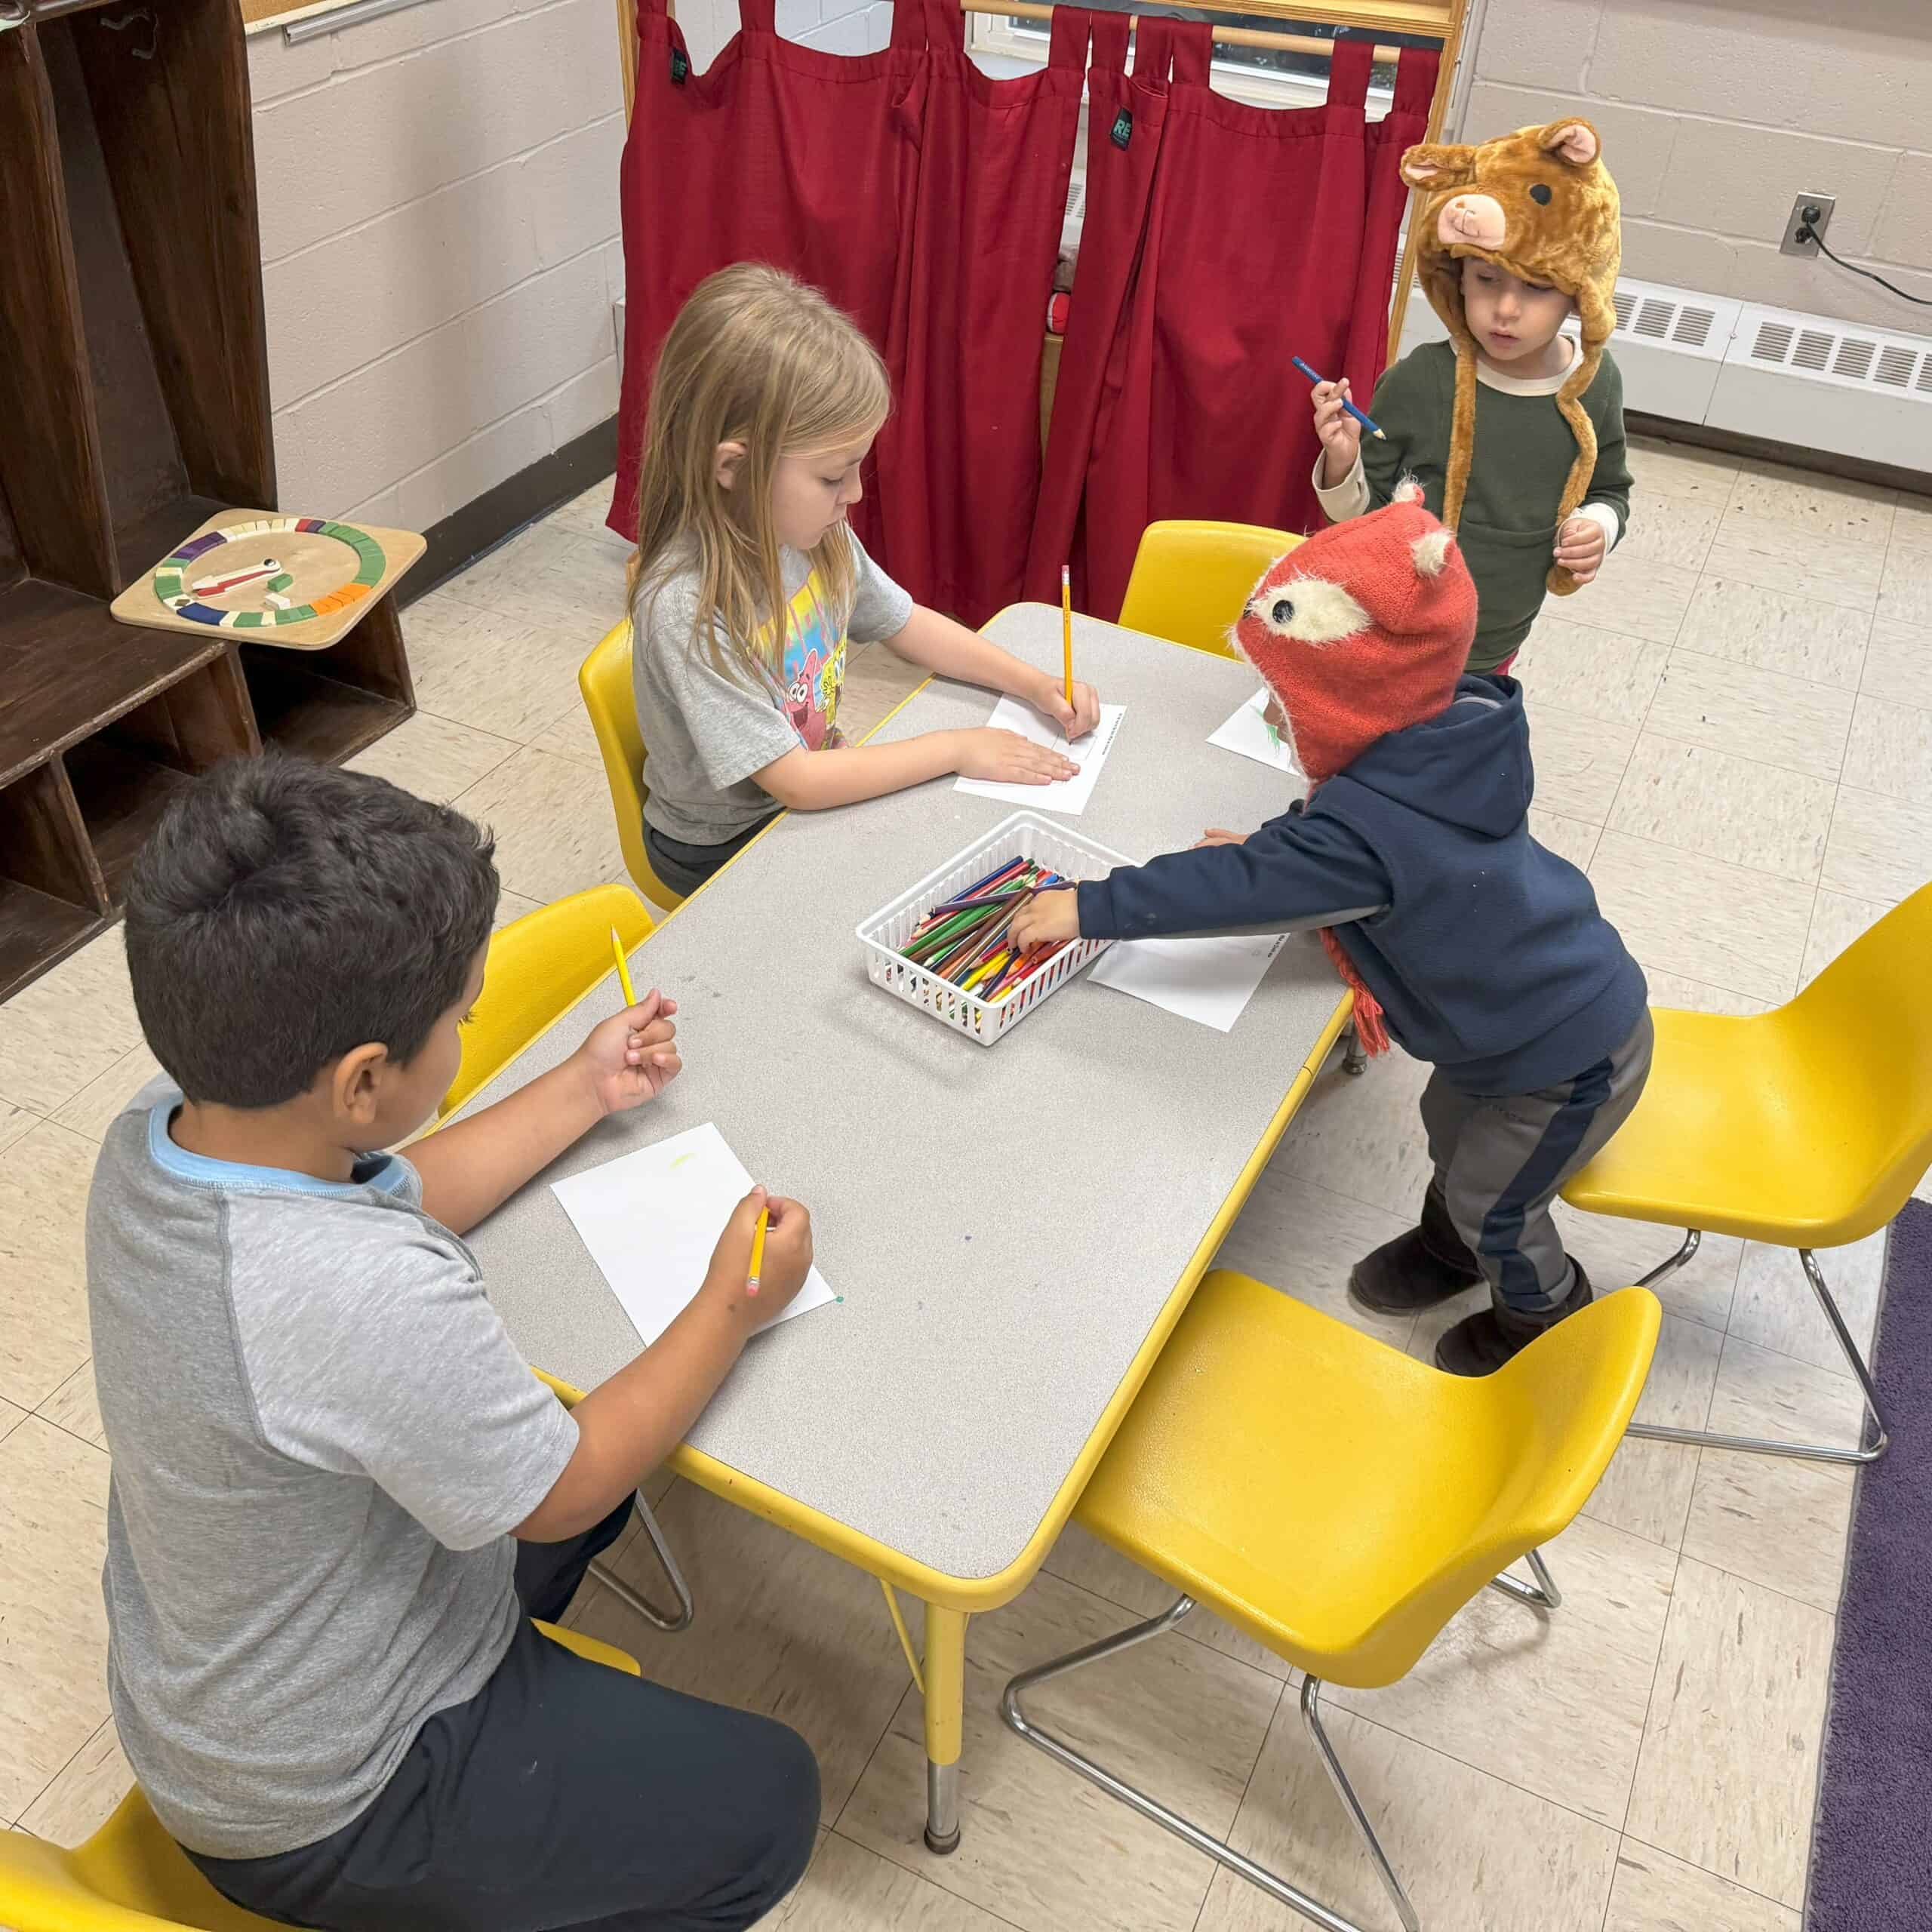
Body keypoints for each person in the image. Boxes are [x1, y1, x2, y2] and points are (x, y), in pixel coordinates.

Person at [88, 755, 820, 1932]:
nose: (471, 1028)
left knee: (632, 1469)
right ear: (366, 1080)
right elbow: (563, 1490)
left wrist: (584, 1090)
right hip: (330, 1798)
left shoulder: (173, 1124)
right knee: (774, 1799)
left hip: (229, 1682)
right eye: (462, 1021)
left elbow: (395, 1186)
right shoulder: (356, 1296)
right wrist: (734, 1302)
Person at [1011, 491, 1651, 1374]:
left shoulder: (1364, 831)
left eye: (1283, 699)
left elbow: (1245, 886)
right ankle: (1455, 1244)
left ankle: (1541, 1314)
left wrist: (1089, 905)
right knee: (1447, 1126)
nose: (1272, 716)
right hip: (1532, 1013)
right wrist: (1290, 847)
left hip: (1566, 1055)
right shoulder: (1450, 724)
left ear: (1355, 698)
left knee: (1497, 1202)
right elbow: (1362, 834)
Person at [629, 263, 1101, 898]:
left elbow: (903, 621)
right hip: (723, 846)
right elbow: (797, 782)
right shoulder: (687, 605)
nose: (854, 494)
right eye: (832, 476)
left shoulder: (810, 533)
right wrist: (960, 746)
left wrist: (1034, 685)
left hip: (803, 794)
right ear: (734, 468)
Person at [1309, 118, 1632, 677]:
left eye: (1535, 287)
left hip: (1497, 640)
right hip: (1392, 634)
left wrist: (1599, 528)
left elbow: (1610, 488)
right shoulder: (1421, 381)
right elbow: (1365, 520)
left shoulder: (1595, 384)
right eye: (1486, 279)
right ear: (1455, 274)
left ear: (1578, 293)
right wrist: (1343, 464)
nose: (1505, 310)